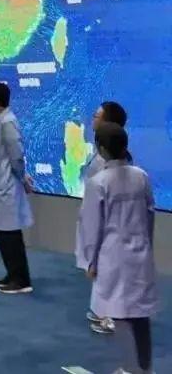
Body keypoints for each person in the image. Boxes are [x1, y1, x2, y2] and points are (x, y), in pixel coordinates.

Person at [79, 122, 157, 374]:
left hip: (112, 257)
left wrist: (90, 261)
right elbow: (150, 215)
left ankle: (133, 369)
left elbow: (92, 226)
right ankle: (144, 368)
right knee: (140, 315)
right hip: (140, 253)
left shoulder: (99, 182)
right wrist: (146, 245)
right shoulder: (141, 176)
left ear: (101, 149)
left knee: (120, 315)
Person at [75, 101, 127, 334]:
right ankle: (102, 310)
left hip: (108, 225)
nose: (92, 120)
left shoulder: (109, 163)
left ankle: (109, 316)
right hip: (99, 219)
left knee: (106, 267)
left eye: (97, 116)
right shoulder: (101, 156)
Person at [0, 81, 35, 295]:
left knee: (10, 235)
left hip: (7, 188)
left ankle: (21, 280)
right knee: (3, 234)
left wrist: (23, 178)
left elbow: (16, 155)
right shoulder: (0, 121)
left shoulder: (8, 122)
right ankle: (12, 274)